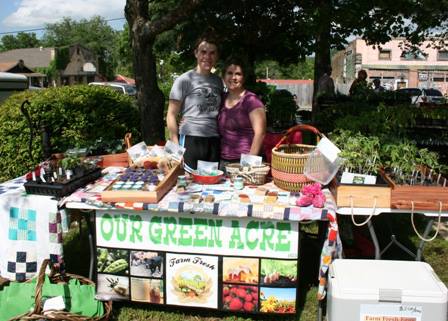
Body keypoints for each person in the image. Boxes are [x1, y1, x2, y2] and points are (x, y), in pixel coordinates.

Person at [166, 35, 223, 172]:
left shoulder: (218, 81)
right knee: (188, 184)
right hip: (190, 139)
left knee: (210, 182)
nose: (207, 57)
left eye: (212, 53)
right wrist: (175, 147)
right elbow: (171, 114)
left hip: (213, 140)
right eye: (203, 52)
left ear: (216, 56)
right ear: (196, 53)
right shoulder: (184, 80)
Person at [218, 57, 266, 167]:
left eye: (238, 74)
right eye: (229, 73)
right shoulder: (221, 99)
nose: (233, 77)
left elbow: (260, 133)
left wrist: (248, 164)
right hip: (224, 161)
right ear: (224, 77)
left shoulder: (251, 100)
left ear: (243, 78)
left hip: (246, 161)